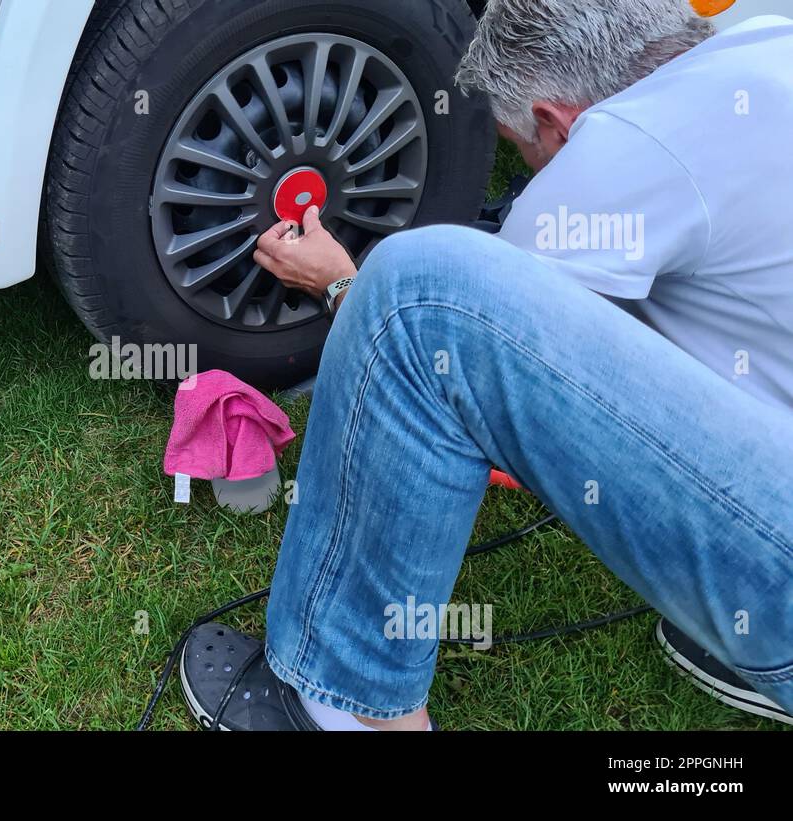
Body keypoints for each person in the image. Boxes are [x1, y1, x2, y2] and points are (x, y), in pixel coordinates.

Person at [180, 0, 793, 730]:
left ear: (557, 122)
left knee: (418, 295)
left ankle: (337, 709)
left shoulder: (618, 151)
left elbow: (466, 373)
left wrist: (343, 281)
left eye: (520, 146)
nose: (529, 173)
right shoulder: (768, 42)